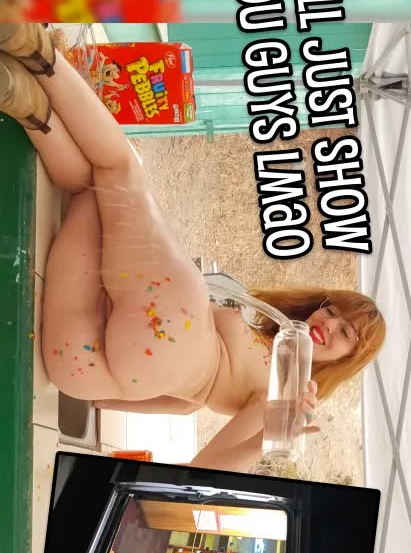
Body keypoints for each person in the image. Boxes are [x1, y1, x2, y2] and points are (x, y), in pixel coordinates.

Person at [0, 24, 386, 473]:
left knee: (121, 167)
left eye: (345, 334)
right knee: (91, 189)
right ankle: (22, 100)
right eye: (332, 310)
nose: (329, 324)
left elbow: (204, 465)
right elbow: (155, 403)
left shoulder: (286, 391)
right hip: (79, 368)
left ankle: (40, 53)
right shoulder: (263, 353)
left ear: (347, 361)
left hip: (165, 331)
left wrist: (271, 433)